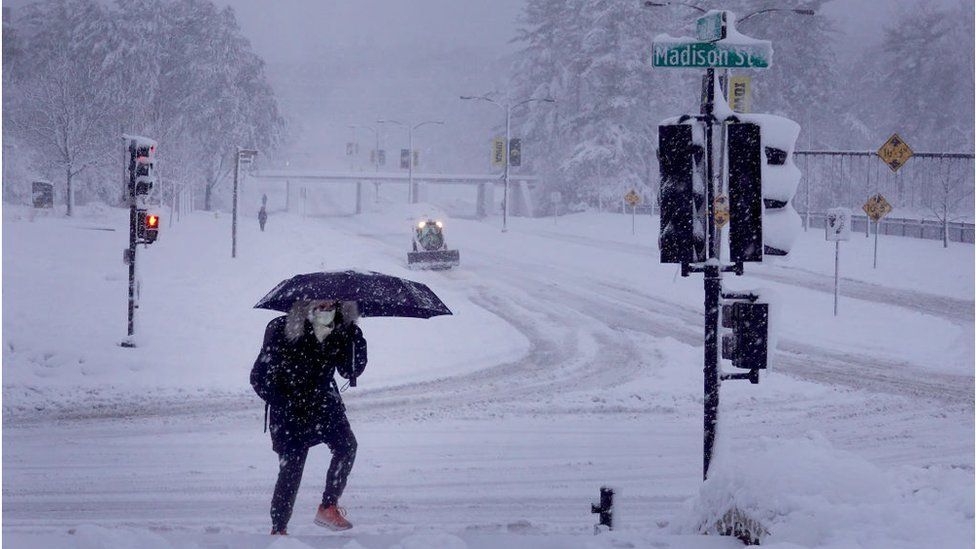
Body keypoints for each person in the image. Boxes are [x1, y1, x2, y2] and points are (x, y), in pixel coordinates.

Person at [250, 299, 367, 535]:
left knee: (347, 447)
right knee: (291, 468)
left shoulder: (341, 330)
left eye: (330, 306)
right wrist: (283, 399)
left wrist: (355, 338)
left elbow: (349, 371)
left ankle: (328, 506)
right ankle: (279, 528)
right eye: (319, 305)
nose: (325, 311)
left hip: (324, 404)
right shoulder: (283, 329)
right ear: (306, 304)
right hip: (290, 410)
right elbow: (258, 376)